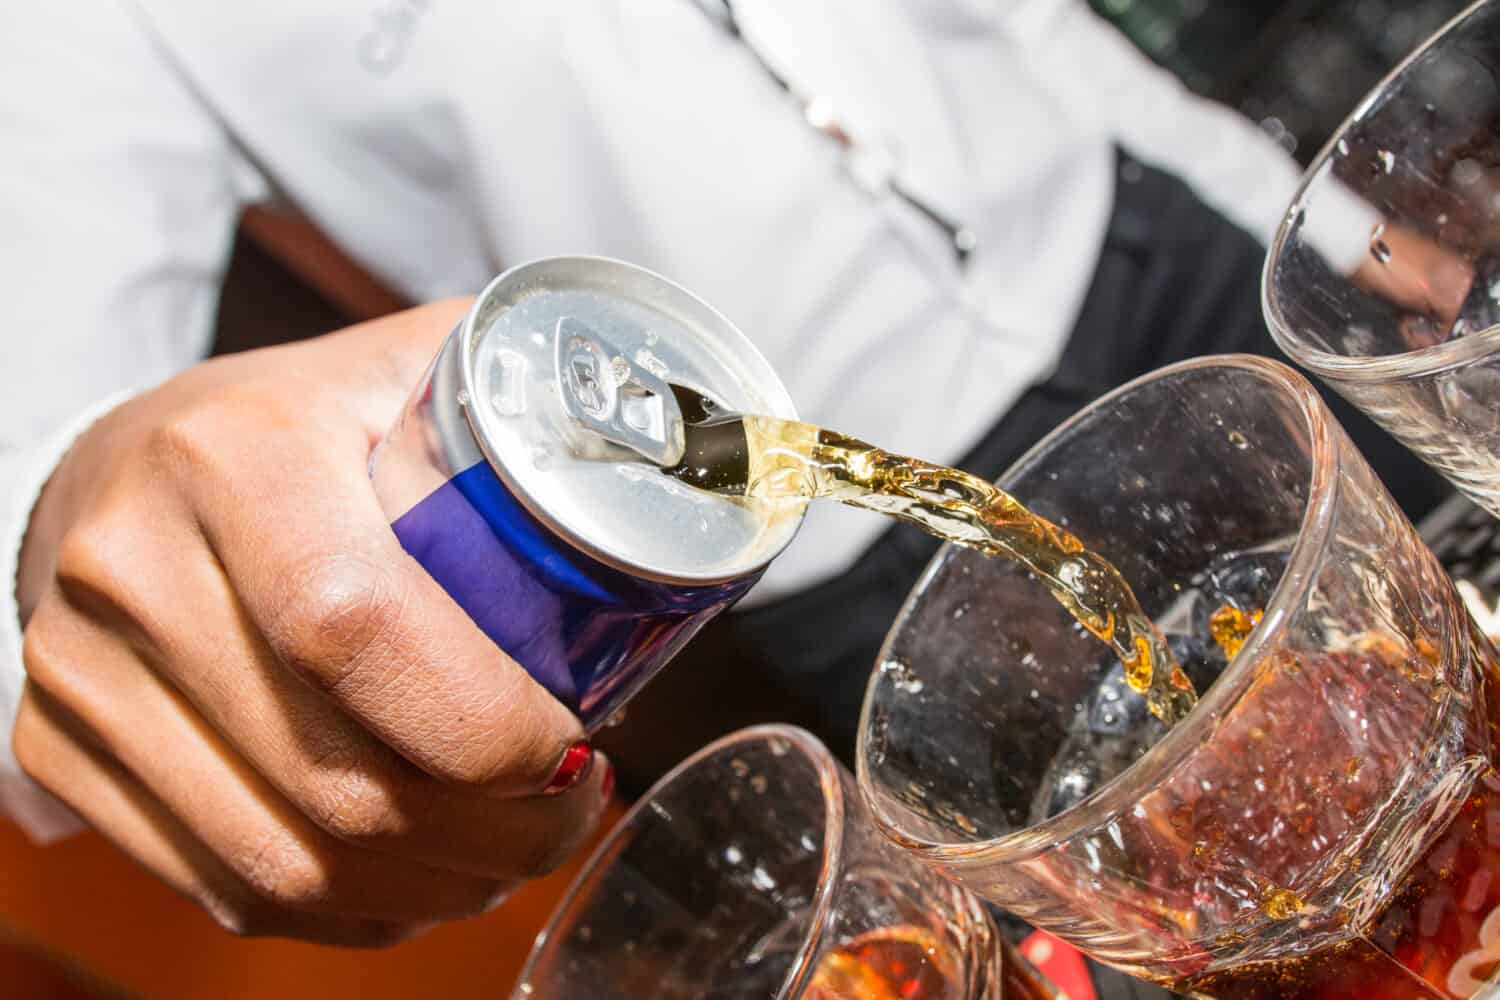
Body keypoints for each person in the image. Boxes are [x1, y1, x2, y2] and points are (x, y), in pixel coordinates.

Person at [0, 0, 1457, 955]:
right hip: (867, 539)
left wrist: (1320, 230)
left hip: (1150, 255)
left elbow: (1015, 25)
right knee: (1254, 925)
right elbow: (37, 481)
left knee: (1459, 647)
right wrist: (83, 511)